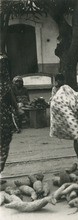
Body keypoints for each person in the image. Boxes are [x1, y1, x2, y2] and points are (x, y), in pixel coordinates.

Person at [0, 53, 22, 183]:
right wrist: (18, 110)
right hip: (3, 121)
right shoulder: (4, 84)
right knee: (3, 145)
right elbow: (12, 100)